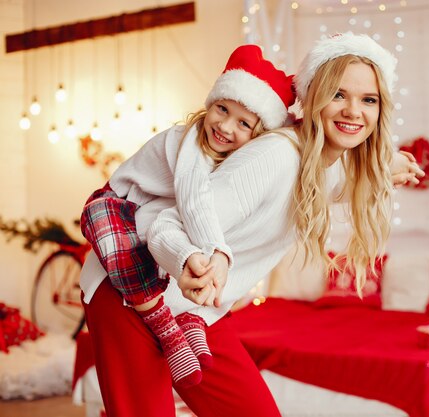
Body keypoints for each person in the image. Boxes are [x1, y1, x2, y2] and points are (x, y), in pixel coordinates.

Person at [81, 33, 422, 417]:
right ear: (310, 100)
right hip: (132, 288)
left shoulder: (320, 166)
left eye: (368, 100)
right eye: (338, 95)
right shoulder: (276, 157)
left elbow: (338, 183)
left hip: (199, 309)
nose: (353, 111)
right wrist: (197, 257)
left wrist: (386, 167)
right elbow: (168, 223)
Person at [79, 44, 295, 388]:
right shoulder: (190, 141)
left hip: (148, 216)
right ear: (210, 103)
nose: (224, 126)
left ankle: (193, 318)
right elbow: (195, 201)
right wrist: (217, 251)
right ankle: (166, 326)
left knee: (178, 252)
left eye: (243, 123)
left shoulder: (236, 159)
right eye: (222, 109)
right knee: (127, 253)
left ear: (257, 136)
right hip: (117, 206)